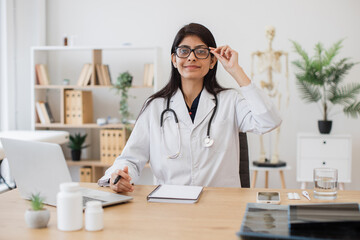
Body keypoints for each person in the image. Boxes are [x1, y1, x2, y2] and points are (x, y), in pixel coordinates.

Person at [98, 23, 281, 192]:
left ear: (212, 61)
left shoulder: (230, 101)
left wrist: (236, 70)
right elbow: (130, 158)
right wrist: (118, 176)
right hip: (170, 205)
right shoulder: (155, 107)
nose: (191, 57)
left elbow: (269, 121)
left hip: (222, 207)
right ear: (174, 59)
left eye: (201, 51)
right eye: (184, 51)